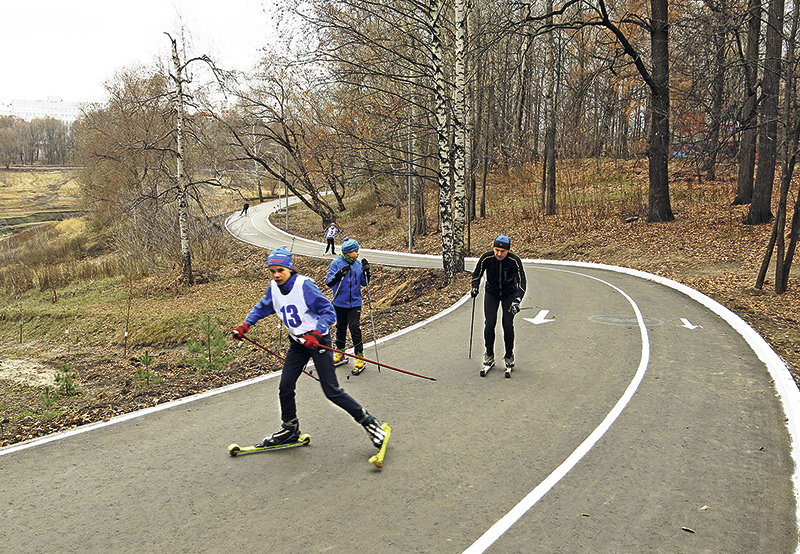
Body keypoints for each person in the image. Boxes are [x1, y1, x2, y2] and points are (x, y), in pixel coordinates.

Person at [232, 246, 386, 450]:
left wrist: (316, 334)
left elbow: (328, 312)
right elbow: (262, 307)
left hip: (318, 341)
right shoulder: (274, 288)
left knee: (331, 391)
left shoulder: (304, 285)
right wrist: (245, 325)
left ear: (290, 269)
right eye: (273, 271)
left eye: (281, 270)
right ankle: (290, 429)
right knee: (285, 386)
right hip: (297, 344)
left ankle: (371, 424)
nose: (277, 275)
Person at [470, 235, 526, 370]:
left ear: (508, 251)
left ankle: (509, 356)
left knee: (507, 325)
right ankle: (489, 354)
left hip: (509, 294)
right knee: (489, 323)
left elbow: (522, 282)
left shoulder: (514, 260)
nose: (499, 254)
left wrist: (517, 300)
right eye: (496, 250)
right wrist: (475, 286)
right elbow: (477, 274)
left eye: (503, 251)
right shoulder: (487, 258)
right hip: (492, 293)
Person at [325, 238, 372, 375]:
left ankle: (359, 357)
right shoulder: (336, 264)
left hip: (355, 302)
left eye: (357, 250)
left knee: (354, 327)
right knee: (340, 326)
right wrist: (339, 275)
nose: (357, 253)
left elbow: (365, 283)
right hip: (340, 302)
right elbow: (329, 282)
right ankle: (340, 353)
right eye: (355, 251)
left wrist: (367, 272)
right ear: (347, 252)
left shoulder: (357, 265)